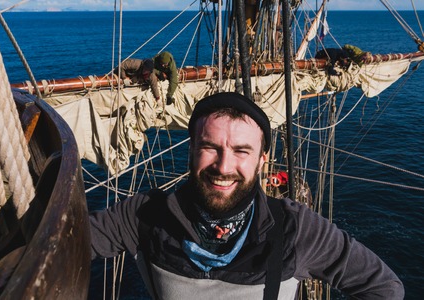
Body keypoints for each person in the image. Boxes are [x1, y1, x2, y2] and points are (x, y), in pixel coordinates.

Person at [89, 92, 404, 299]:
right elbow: (62, 239)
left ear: (261, 160)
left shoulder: (295, 230)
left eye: (241, 151)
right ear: (193, 150)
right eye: (210, 147)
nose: (224, 166)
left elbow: (384, 288)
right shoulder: (143, 216)